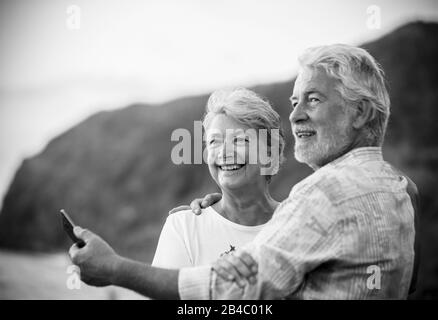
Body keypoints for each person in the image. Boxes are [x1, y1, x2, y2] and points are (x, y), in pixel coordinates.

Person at [69, 44, 417, 299]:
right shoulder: (396, 192)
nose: (295, 115)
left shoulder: (317, 200)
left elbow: (235, 291)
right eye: (214, 141)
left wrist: (115, 268)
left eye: (313, 99)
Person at [151, 88, 285, 280]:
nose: (224, 151)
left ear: (271, 157)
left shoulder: (300, 225)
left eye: (239, 140)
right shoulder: (184, 227)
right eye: (214, 141)